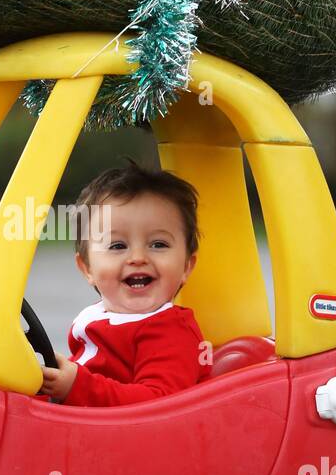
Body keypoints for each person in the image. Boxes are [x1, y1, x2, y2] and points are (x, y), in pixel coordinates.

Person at [39, 158, 212, 407]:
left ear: (186, 266)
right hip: (86, 430)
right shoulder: (99, 316)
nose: (138, 258)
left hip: (132, 443)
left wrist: (76, 386)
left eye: (158, 244)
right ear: (87, 268)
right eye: (118, 245)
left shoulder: (170, 333)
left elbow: (158, 405)